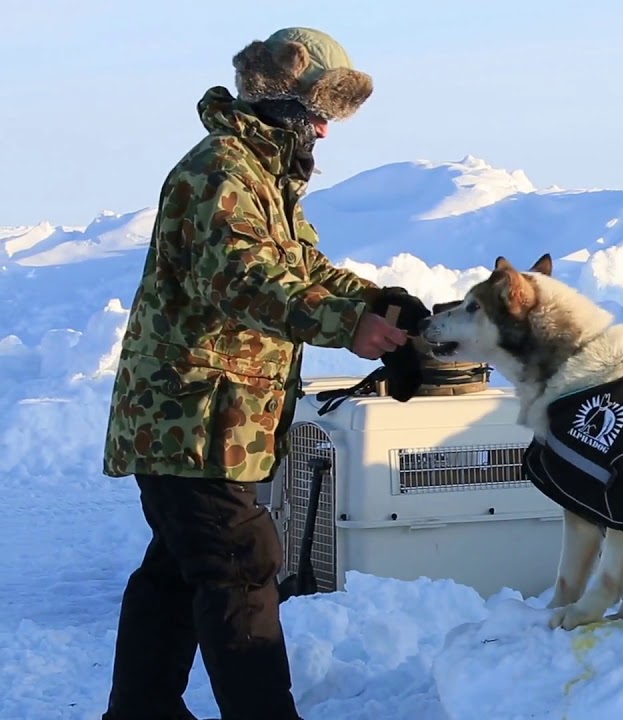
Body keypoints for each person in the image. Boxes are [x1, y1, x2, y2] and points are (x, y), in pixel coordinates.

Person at [99, 27, 408, 720]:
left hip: (214, 424)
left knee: (181, 569)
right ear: (283, 101)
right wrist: (343, 326)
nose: (326, 131)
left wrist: (377, 302)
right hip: (191, 417)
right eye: (320, 112)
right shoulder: (221, 171)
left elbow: (303, 271)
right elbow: (242, 280)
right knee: (240, 566)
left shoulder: (263, 177)